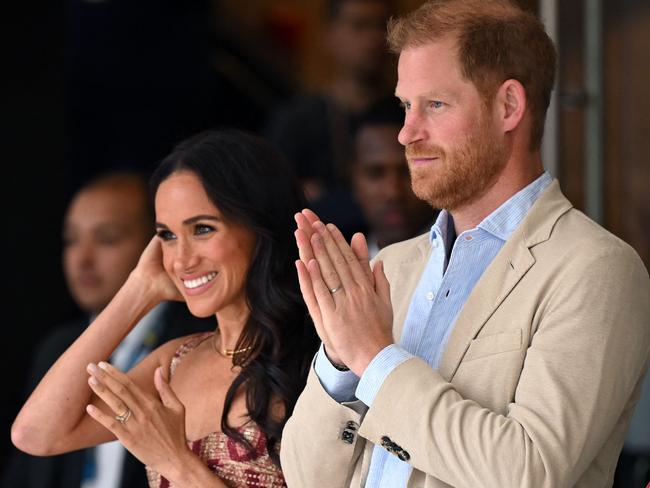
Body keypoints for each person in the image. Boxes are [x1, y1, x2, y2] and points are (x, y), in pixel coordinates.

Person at [281, 1, 650, 487]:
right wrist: (338, 361)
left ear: (508, 107)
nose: (407, 133)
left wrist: (374, 358)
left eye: (434, 105)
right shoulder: (390, 265)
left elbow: (529, 472)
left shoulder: (596, 269)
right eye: (405, 106)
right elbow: (306, 478)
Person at [11, 131, 318, 487]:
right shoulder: (174, 361)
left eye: (202, 229)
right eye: (167, 236)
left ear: (259, 227)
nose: (181, 260)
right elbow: (36, 434)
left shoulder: (319, 361)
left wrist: (173, 461)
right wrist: (139, 290)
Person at [1, 172, 214, 488]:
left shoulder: (195, 341)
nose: (82, 258)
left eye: (107, 238)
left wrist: (140, 289)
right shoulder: (58, 346)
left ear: (153, 244)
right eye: (71, 239)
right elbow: (27, 456)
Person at [266, 0, 394, 202]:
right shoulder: (297, 120)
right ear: (330, 34)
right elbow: (271, 194)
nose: (374, 38)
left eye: (383, 26)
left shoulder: (406, 114)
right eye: (360, 25)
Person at [349, 100, 436, 258]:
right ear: (353, 181)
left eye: (409, 172)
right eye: (375, 174)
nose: (393, 193)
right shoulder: (332, 270)